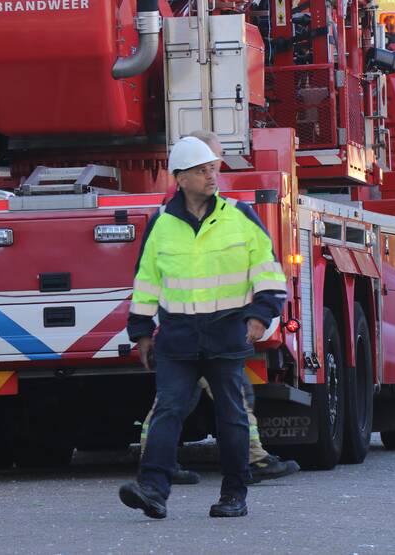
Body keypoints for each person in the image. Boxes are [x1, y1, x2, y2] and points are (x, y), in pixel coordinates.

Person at [119, 137, 287, 519]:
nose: (212, 176)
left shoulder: (239, 216)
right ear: (180, 178)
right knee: (168, 412)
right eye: (201, 170)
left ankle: (233, 494)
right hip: (177, 338)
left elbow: (268, 272)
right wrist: (141, 331)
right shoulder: (161, 225)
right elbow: (146, 280)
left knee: (231, 417)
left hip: (227, 335)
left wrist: (261, 315)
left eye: (213, 168)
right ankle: (153, 491)